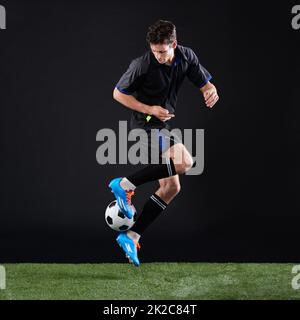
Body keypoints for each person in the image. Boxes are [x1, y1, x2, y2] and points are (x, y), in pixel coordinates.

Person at [109, 20, 219, 266]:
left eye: (162, 51)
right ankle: (124, 184)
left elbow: (203, 81)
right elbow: (118, 93)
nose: (157, 55)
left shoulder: (186, 56)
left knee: (171, 188)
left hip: (160, 125)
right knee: (185, 162)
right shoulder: (142, 65)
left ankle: (131, 235)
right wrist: (150, 108)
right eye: (154, 50)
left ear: (174, 45)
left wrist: (210, 89)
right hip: (146, 123)